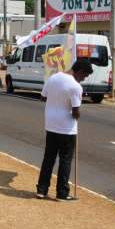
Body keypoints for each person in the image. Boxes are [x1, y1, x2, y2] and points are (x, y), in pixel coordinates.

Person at [36, 60, 93, 201]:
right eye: (84, 75)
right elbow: (75, 112)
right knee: (65, 160)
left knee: (48, 158)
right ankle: (62, 192)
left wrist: (56, 100)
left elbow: (42, 97)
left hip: (51, 124)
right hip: (67, 129)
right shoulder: (76, 87)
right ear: (78, 71)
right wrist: (77, 112)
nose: (84, 79)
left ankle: (42, 190)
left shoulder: (53, 77)